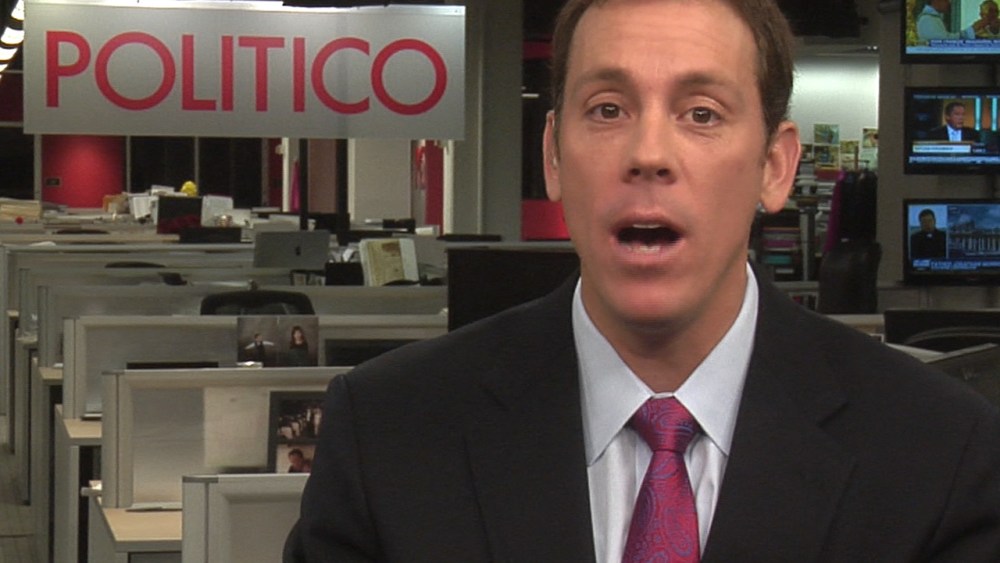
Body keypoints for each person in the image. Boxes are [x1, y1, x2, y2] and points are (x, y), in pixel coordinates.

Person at [285, 0, 1000, 561]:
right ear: (554, 156)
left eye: (701, 114)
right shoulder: (388, 432)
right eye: (608, 109)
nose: (648, 152)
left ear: (775, 166)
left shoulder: (941, 452)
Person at [917, 0, 981, 41]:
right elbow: (945, 42)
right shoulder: (926, 20)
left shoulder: (933, 18)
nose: (949, 3)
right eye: (946, 0)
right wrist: (973, 29)